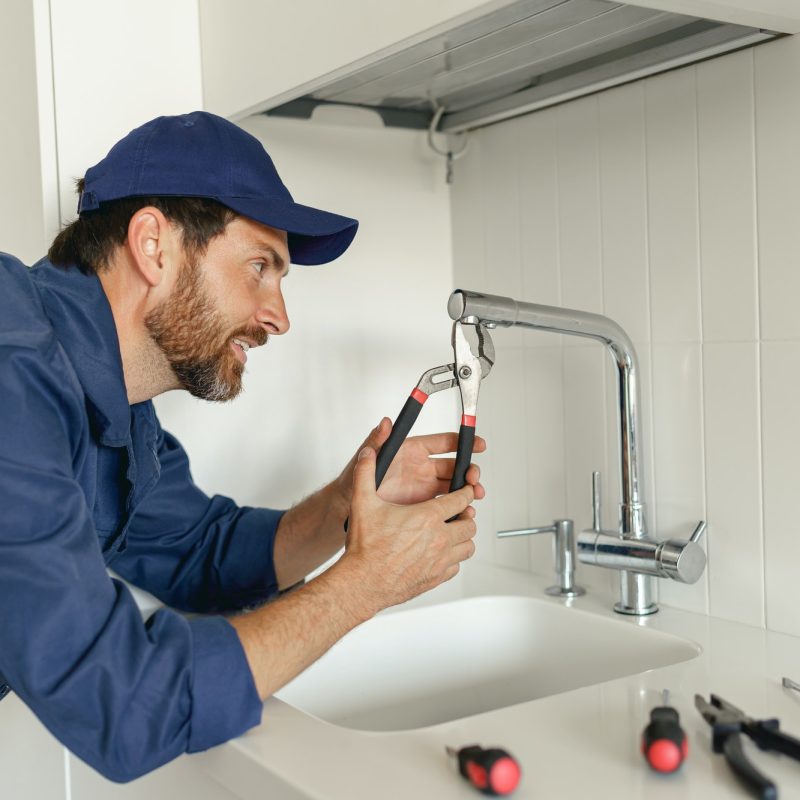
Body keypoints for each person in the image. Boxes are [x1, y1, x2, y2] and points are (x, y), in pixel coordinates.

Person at [0, 111, 484, 782]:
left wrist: (347, 506)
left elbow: (201, 555)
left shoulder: (115, 409)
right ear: (153, 245)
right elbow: (122, 705)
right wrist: (365, 584)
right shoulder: (11, 371)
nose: (279, 317)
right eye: (260, 265)